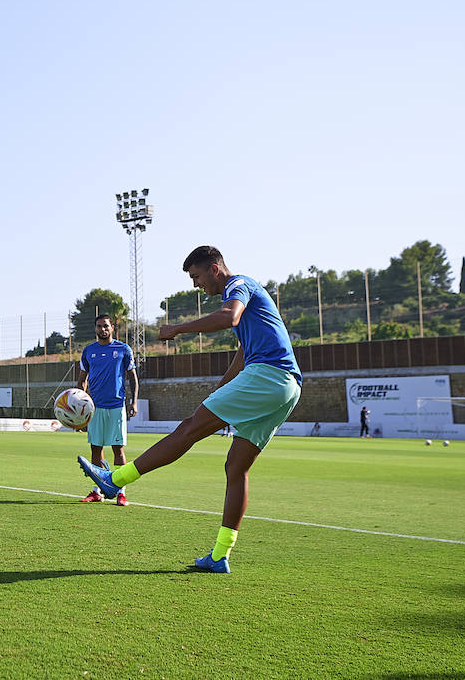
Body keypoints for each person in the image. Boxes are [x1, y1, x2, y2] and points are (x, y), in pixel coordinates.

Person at [80, 246, 302, 574]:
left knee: (188, 429)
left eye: (196, 277)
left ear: (214, 268)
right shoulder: (246, 301)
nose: (196, 285)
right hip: (288, 387)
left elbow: (229, 316)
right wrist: (221, 390)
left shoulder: (238, 285)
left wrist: (177, 328)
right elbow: (244, 354)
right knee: (236, 467)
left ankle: (116, 479)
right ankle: (220, 555)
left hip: (268, 376)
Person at [74, 315, 138, 506]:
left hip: (116, 405)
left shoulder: (123, 349)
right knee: (96, 449)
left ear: (112, 328)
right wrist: (79, 406)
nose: (103, 329)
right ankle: (97, 491)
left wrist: (134, 402)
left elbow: (133, 377)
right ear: (95, 329)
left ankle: (121, 492)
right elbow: (82, 381)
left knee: (118, 449)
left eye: (106, 326)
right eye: (99, 326)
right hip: (95, 407)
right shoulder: (89, 351)